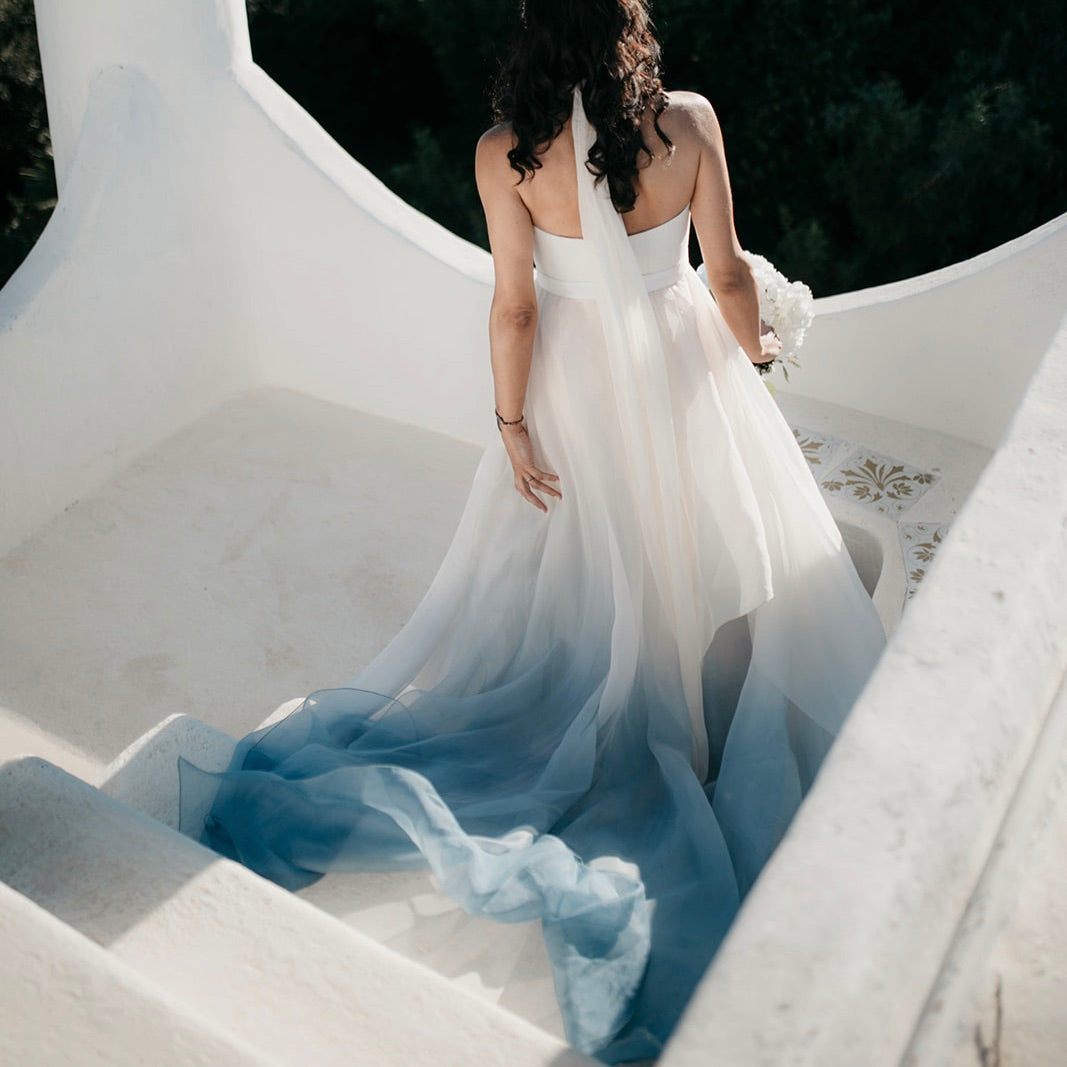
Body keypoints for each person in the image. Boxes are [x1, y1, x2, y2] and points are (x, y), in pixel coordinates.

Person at [176, 1, 887, 1062]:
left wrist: (511, 422)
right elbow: (726, 271)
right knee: (704, 535)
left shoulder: (505, 155)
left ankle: (632, 698)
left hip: (580, 387)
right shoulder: (687, 123)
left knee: (596, 552)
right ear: (626, 30)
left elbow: (515, 305)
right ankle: (697, 712)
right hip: (682, 364)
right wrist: (760, 352)